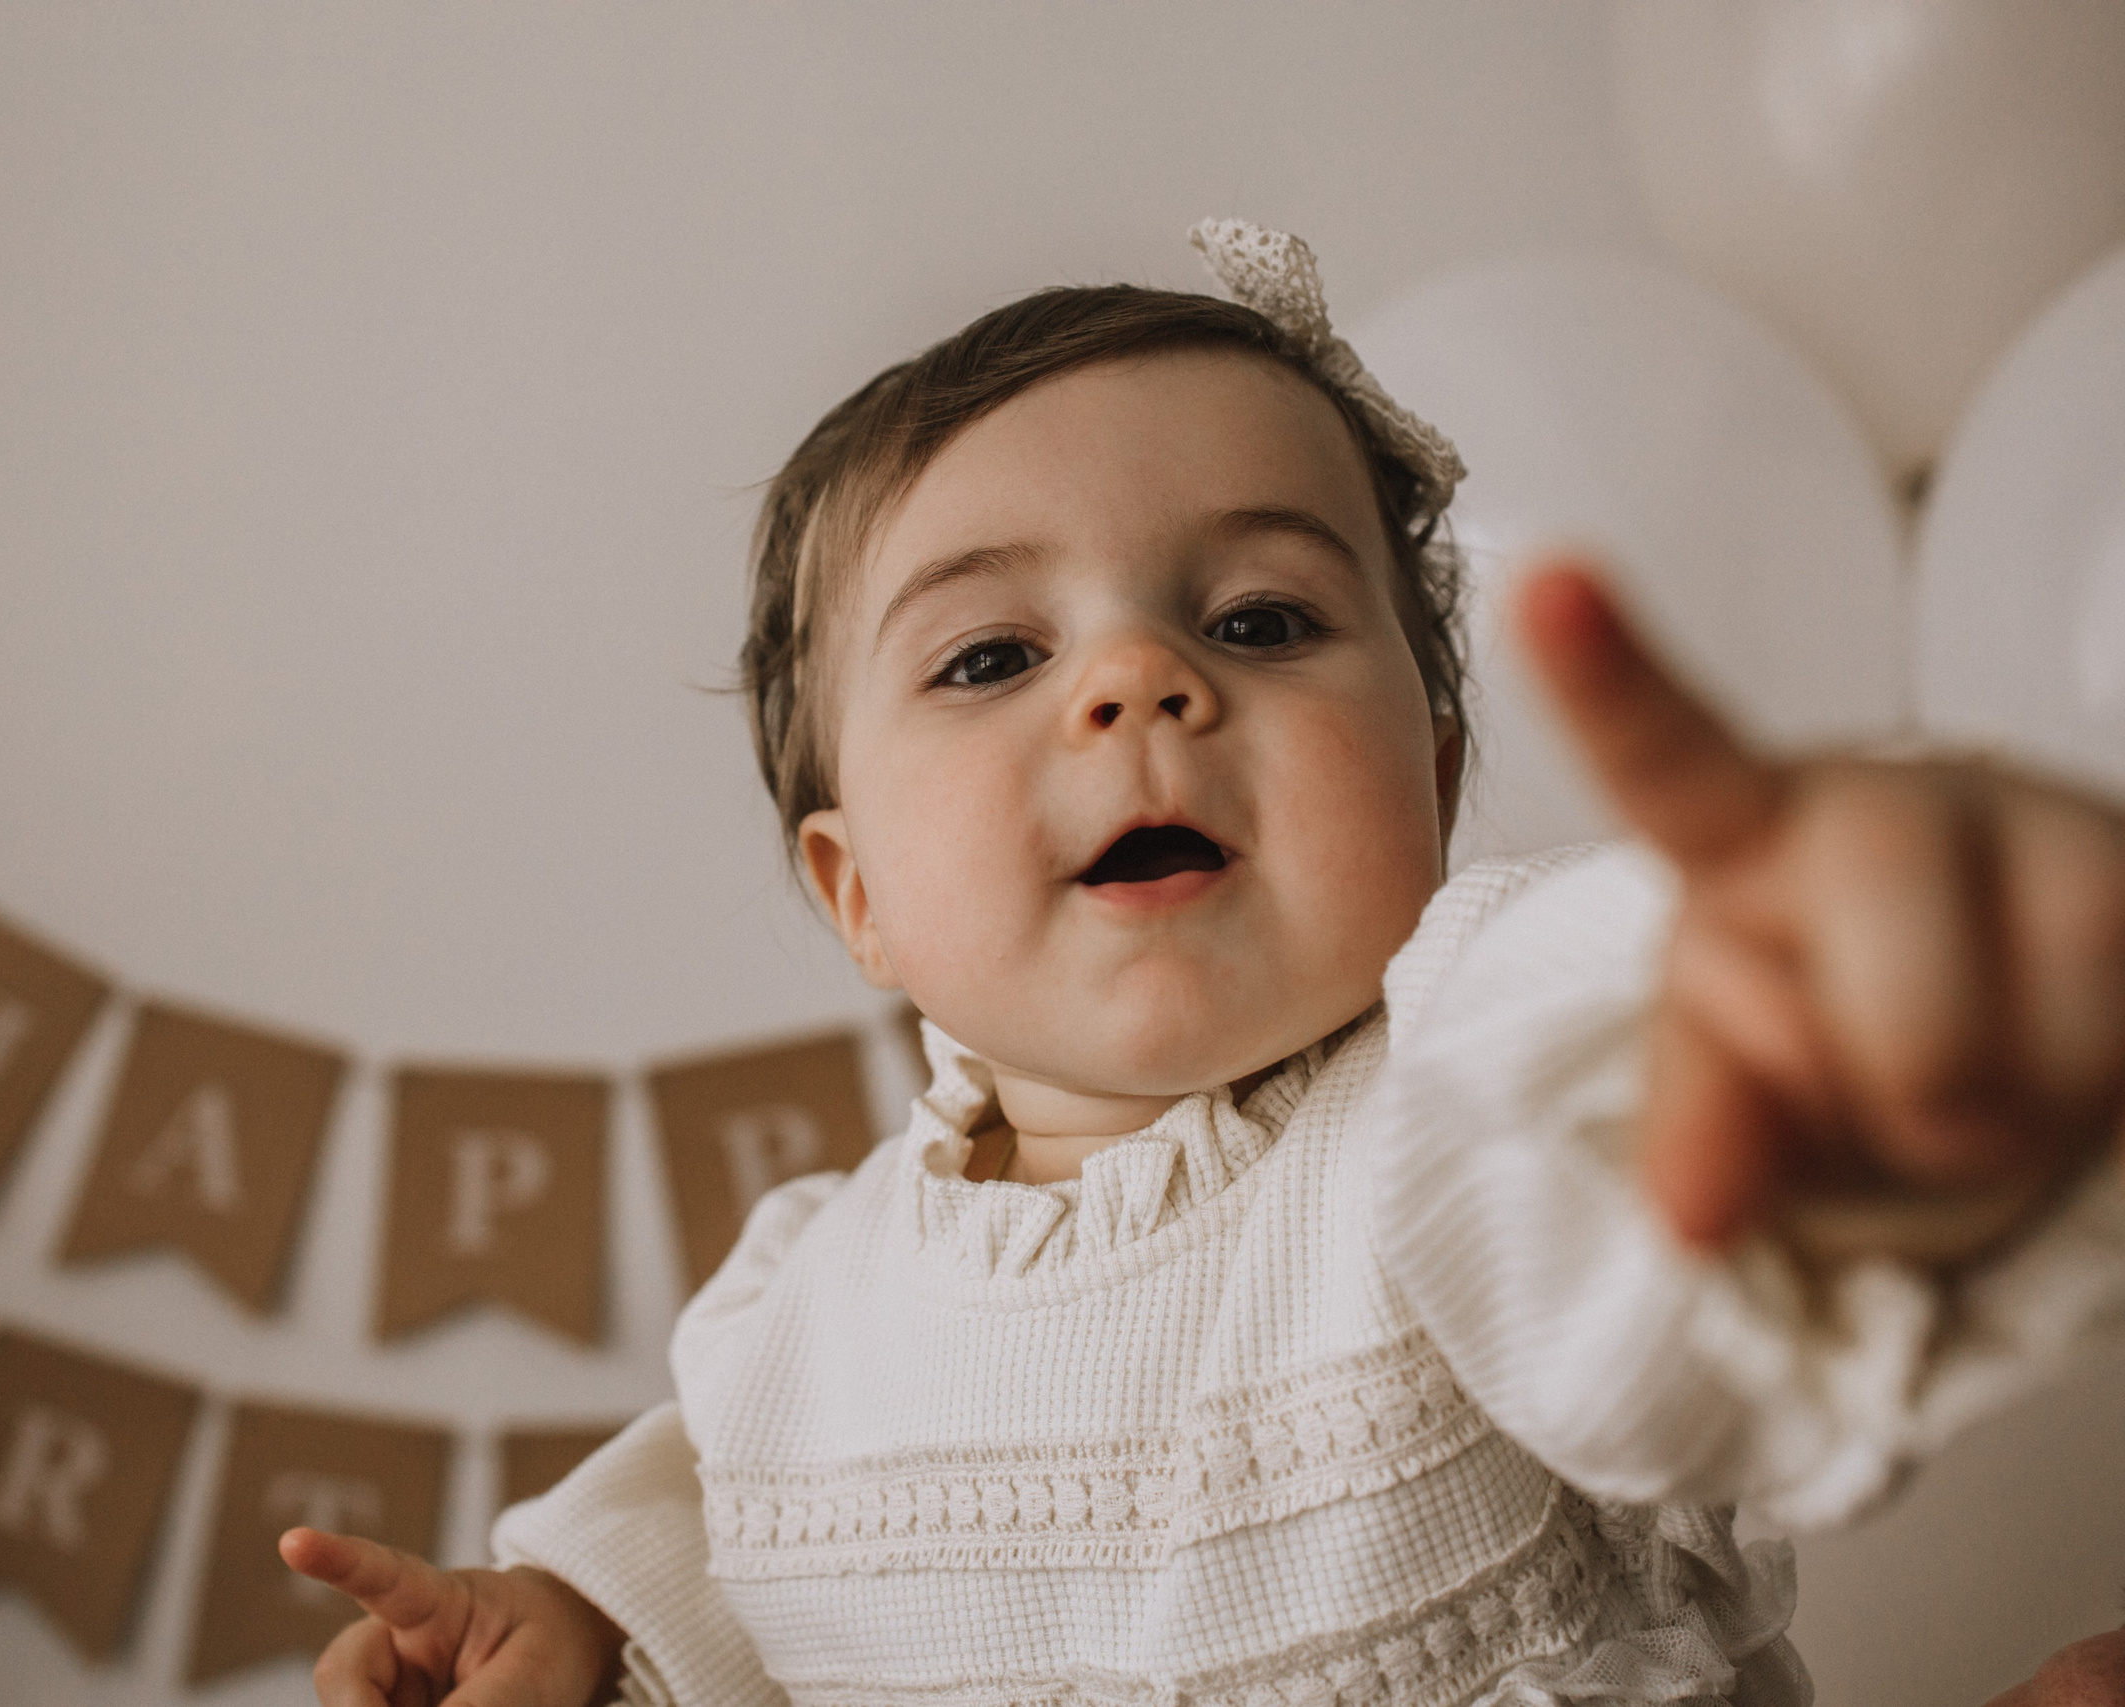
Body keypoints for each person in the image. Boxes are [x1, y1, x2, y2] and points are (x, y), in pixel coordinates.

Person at [281, 221, 2125, 1707]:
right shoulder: (801, 1312)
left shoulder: (1454, 1107)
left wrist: (1780, 992)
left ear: (1438, 774)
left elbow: (1608, 1098)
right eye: (992, 658)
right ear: (860, 898)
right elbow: (734, 1539)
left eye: (1261, 617)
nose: (1139, 683)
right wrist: (585, 1620)